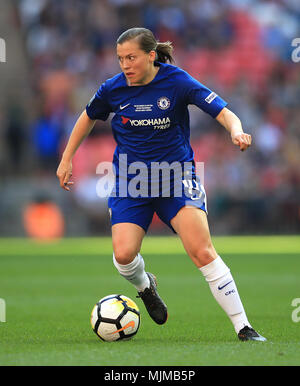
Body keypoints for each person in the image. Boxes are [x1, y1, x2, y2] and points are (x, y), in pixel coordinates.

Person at [57, 27, 266, 342]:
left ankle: (243, 327)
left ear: (151, 56)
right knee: (124, 254)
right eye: (120, 59)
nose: (125, 65)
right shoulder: (112, 89)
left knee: (202, 251)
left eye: (131, 57)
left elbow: (222, 111)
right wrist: (67, 157)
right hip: (132, 181)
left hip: (176, 178)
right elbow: (87, 117)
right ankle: (145, 286)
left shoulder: (177, 81)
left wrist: (236, 131)